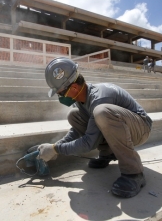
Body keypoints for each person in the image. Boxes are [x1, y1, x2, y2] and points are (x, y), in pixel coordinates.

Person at [38, 57, 152, 198]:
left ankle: (134, 172)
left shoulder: (99, 98)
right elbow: (77, 131)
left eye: (60, 93)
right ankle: (108, 153)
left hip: (140, 128)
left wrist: (56, 150)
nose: (60, 97)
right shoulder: (81, 98)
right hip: (121, 125)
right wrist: (55, 145)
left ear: (73, 88)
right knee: (73, 115)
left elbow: (88, 143)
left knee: (101, 112)